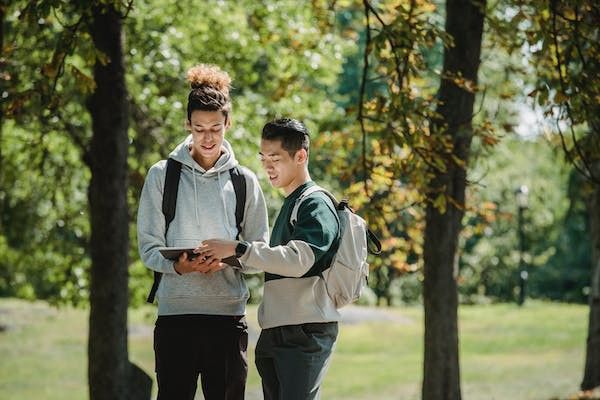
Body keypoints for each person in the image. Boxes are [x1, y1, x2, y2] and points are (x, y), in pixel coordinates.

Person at [136, 64, 269, 400]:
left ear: (228, 124)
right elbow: (149, 248)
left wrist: (230, 257)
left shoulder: (244, 182)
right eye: (199, 129)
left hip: (227, 319)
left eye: (215, 128)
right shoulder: (161, 176)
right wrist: (181, 266)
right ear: (188, 125)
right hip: (175, 318)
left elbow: (260, 252)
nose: (207, 138)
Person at [200, 118, 341, 400]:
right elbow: (274, 260)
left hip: (304, 332)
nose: (267, 166)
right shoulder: (293, 201)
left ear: (301, 156)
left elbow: (301, 260)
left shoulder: (315, 203)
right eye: (263, 158)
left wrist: (239, 248)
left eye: (275, 158)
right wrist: (228, 256)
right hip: (277, 329)